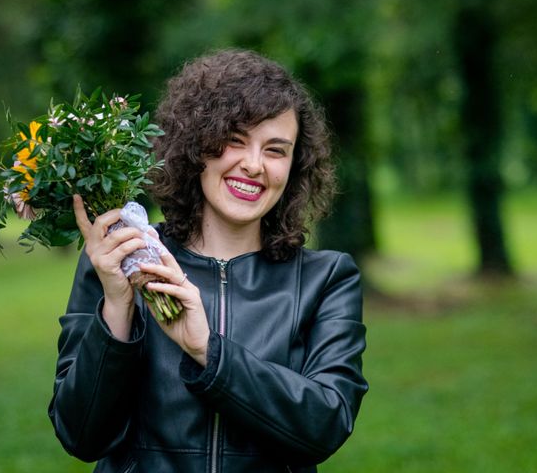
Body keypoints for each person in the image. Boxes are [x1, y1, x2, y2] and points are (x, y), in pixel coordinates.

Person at [48, 49, 368, 472]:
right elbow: (81, 435)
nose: (254, 165)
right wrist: (118, 308)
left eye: (275, 150)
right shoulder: (120, 258)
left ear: (295, 165)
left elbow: (324, 425)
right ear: (196, 145)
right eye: (234, 141)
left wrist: (208, 351)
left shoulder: (326, 278)